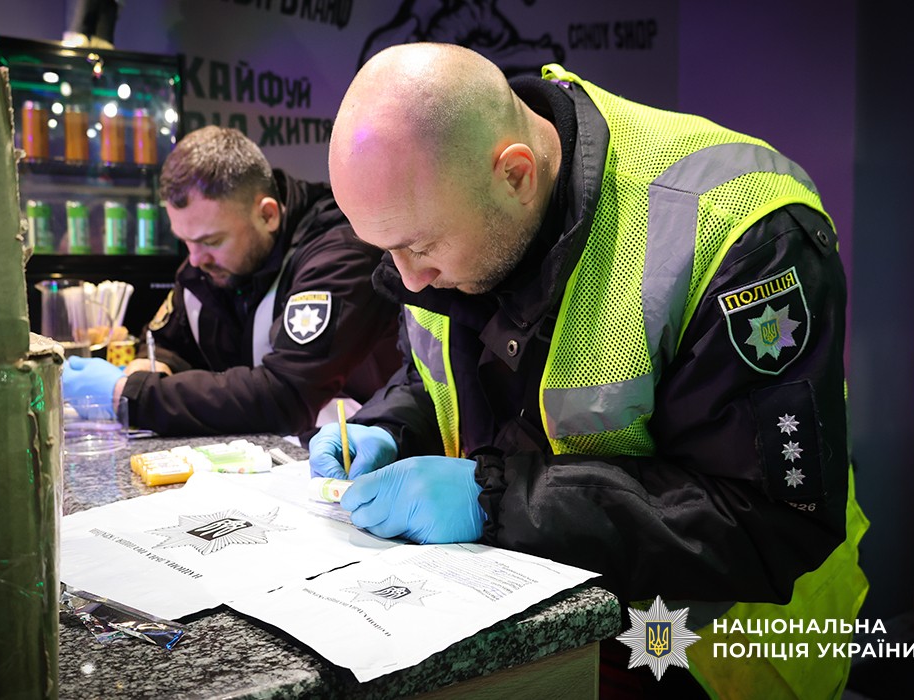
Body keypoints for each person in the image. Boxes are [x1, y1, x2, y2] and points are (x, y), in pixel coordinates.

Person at [308, 42, 868, 698]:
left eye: (420, 246)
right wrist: (389, 426)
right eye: (386, 250)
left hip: (716, 648)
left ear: (516, 175)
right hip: (551, 625)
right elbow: (438, 374)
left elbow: (766, 519)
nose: (407, 278)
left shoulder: (737, 231)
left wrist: (494, 500)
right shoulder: (447, 212)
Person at [62, 126, 401, 437]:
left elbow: (285, 397)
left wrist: (133, 394)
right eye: (186, 242)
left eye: (211, 241)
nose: (195, 259)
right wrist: (154, 366)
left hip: (359, 456)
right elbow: (168, 342)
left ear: (267, 215)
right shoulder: (210, 264)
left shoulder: (340, 254)